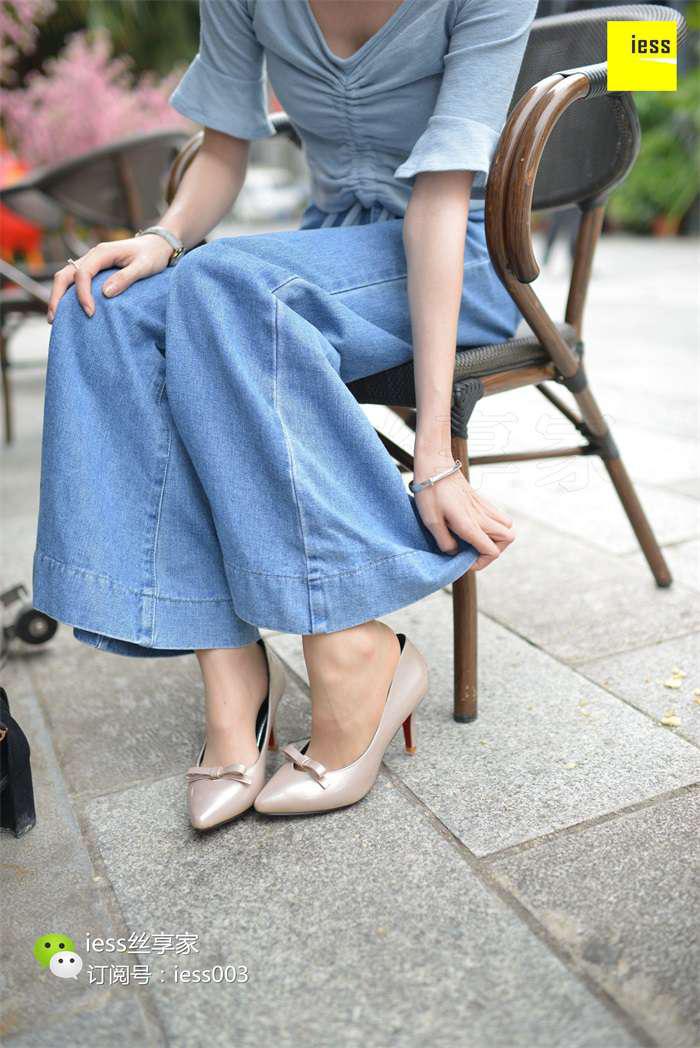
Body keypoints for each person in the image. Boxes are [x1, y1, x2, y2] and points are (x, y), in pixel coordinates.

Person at [34, 0, 536, 828]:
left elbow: (442, 198)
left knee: (225, 284)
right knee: (107, 309)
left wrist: (434, 456)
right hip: (331, 248)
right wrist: (163, 237)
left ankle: (353, 650)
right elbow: (222, 149)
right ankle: (231, 675)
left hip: (463, 259)